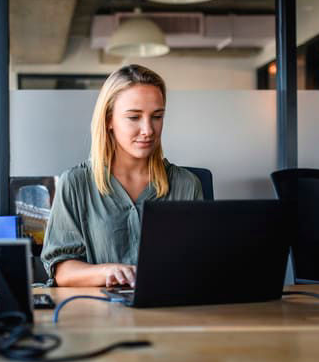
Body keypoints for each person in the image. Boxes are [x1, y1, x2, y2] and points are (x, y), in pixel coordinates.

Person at [41, 64, 203, 287]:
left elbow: (201, 264)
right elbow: (62, 270)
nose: (148, 130)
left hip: (171, 313)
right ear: (109, 120)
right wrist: (109, 271)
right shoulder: (76, 183)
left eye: (157, 116)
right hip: (102, 315)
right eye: (134, 117)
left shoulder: (187, 185)